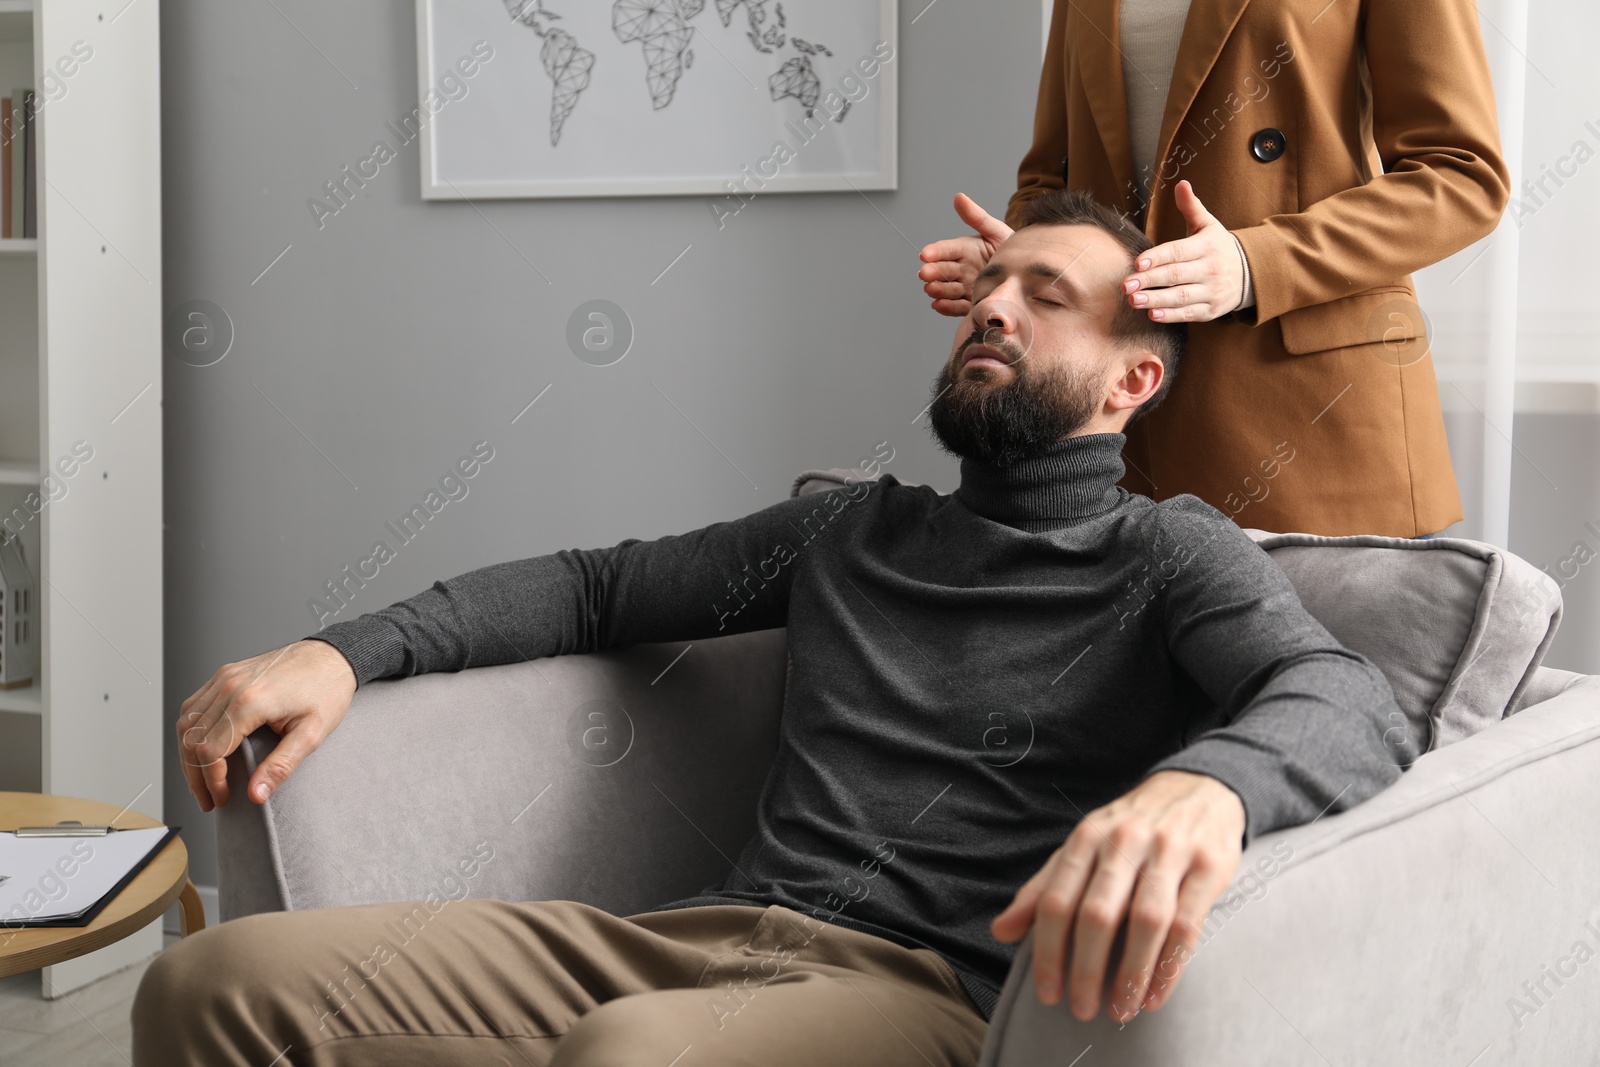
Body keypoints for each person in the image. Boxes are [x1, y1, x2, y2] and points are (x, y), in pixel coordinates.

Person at [136, 189, 1408, 1067]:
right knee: (211, 983)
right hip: (689, 938)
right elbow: (596, 586)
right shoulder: (849, 528)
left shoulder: (1167, 549)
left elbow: (1345, 696)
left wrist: (1206, 789)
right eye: (989, 282)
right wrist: (343, 649)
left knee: (637, 1055)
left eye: (1047, 293)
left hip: (918, 995)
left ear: (1135, 378)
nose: (994, 306)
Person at [918, 0, 1510, 538]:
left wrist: (1257, 263)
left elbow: (1462, 176)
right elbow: (1052, 178)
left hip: (1304, 406)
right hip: (1108, 411)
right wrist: (1019, 263)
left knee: (1311, 646)